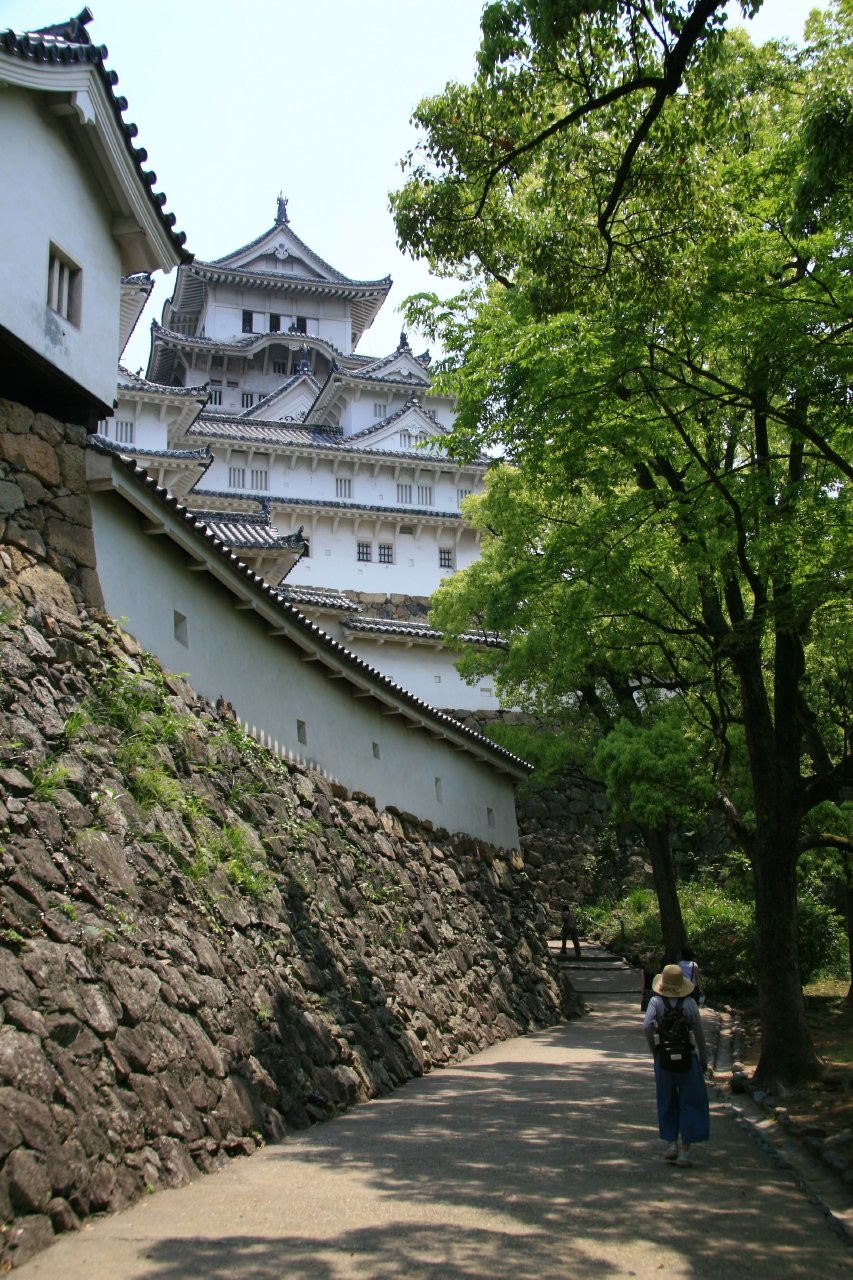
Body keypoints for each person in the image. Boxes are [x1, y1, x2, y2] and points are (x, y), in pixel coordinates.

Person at [643, 963, 710, 1167]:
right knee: (691, 1101)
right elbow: (698, 1032)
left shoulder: (656, 1001)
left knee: (667, 1099)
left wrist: (653, 1049)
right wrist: (703, 1057)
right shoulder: (690, 1004)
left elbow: (646, 1026)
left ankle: (671, 1143)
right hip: (687, 1058)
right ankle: (685, 1152)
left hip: (663, 1057)